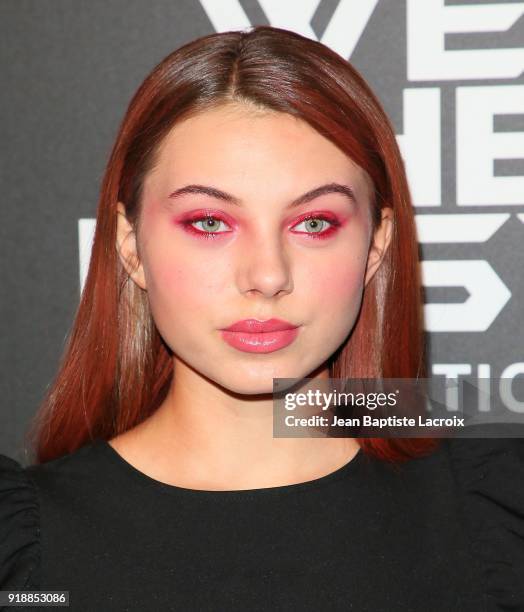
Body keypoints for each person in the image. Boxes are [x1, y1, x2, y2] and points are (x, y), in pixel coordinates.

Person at [1, 25, 523, 611]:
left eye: (315, 223)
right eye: (209, 223)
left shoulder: (497, 512)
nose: (267, 275)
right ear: (130, 247)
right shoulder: (24, 551)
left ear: (375, 248)